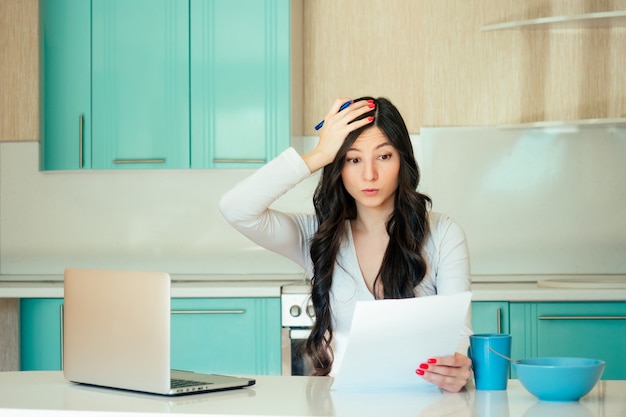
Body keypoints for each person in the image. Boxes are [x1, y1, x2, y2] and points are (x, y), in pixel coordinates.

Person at [219, 97, 473, 392]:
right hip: (341, 405)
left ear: (402, 159)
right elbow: (235, 208)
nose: (369, 175)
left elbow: (459, 334)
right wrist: (319, 153)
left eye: (384, 156)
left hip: (425, 402)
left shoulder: (443, 233)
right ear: (337, 166)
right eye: (353, 159)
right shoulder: (317, 235)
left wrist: (456, 366)